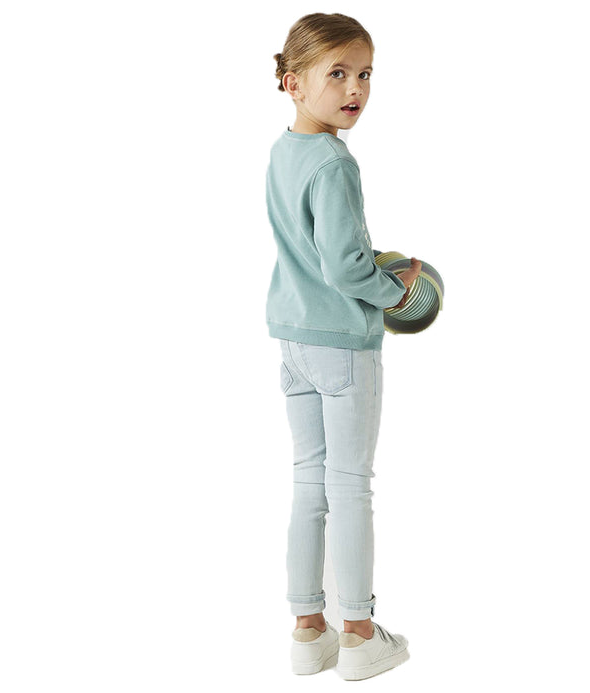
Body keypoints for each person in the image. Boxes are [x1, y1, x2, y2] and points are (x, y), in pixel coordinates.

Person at [265, 13, 421, 680]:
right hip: (342, 344)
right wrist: (396, 291)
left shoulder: (285, 151)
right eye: (337, 73)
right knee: (350, 485)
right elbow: (345, 267)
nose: (354, 88)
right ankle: (357, 632)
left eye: (364, 74)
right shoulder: (333, 162)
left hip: (293, 337)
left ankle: (309, 629)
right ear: (292, 82)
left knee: (310, 480)